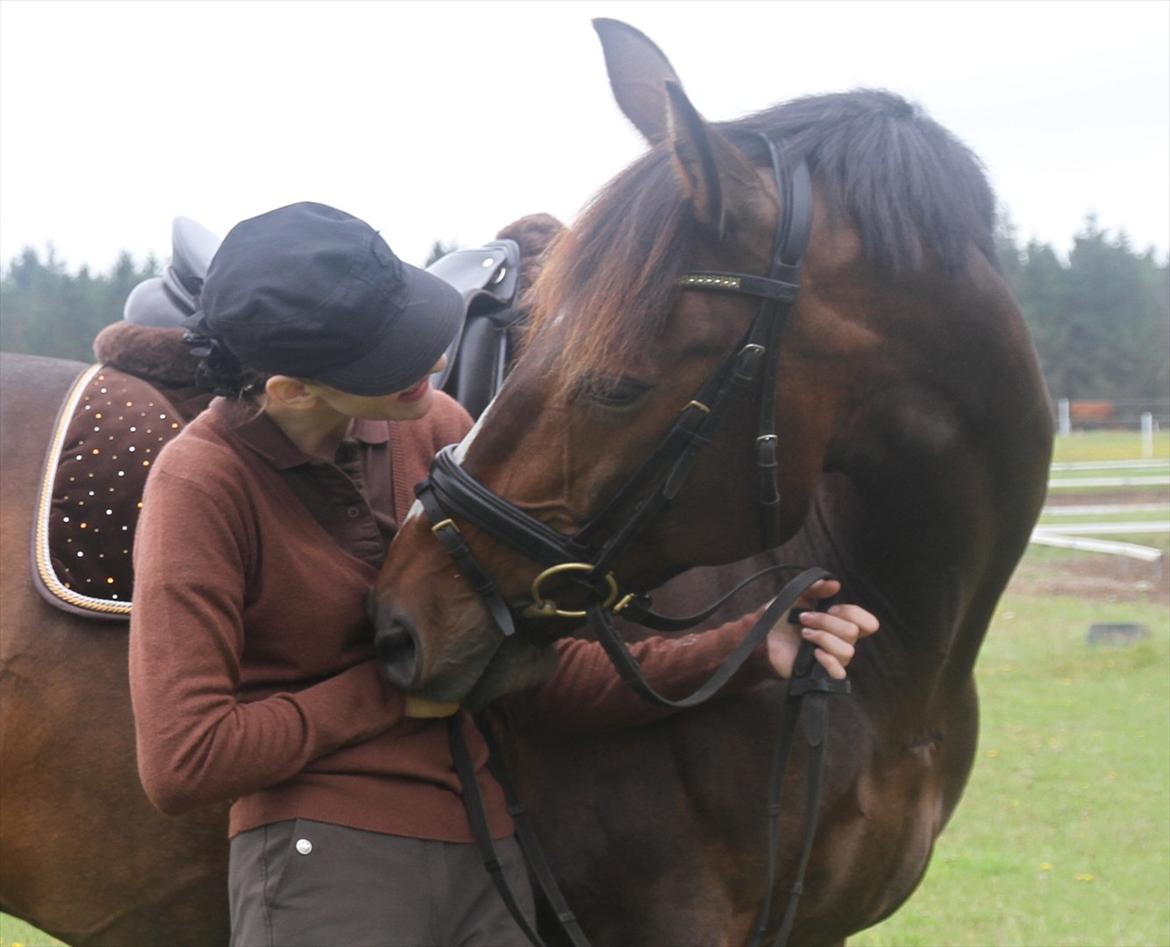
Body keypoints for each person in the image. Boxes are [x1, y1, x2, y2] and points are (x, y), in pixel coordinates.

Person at [128, 201, 879, 947]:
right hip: (320, 859)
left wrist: (744, 651)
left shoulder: (441, 430)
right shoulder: (202, 482)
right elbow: (184, 759)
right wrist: (396, 693)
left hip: (484, 853)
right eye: (392, 358)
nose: (433, 360)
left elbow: (534, 675)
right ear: (293, 390)